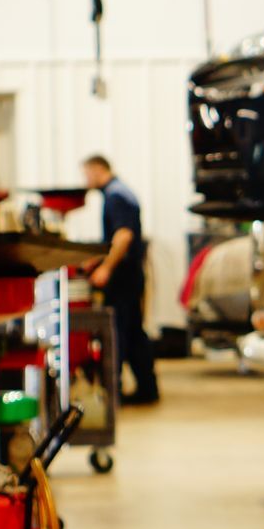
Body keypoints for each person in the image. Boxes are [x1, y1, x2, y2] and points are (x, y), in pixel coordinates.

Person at [83, 155, 160, 405]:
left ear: (97, 170)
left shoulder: (116, 195)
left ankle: (114, 393)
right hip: (128, 273)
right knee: (133, 332)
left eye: (87, 174)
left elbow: (124, 236)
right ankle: (147, 389)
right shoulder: (119, 192)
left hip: (123, 276)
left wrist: (105, 268)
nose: (85, 180)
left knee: (119, 333)